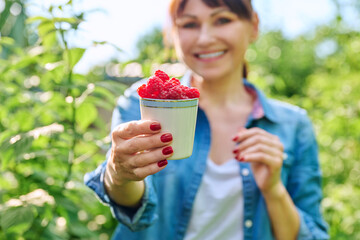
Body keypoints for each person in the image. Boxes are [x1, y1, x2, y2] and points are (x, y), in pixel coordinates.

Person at [84, 0, 329, 239]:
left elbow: (311, 235)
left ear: (254, 25)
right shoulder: (146, 103)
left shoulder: (293, 125)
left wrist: (274, 190)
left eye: (222, 20)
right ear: (173, 33)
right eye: (190, 24)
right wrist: (119, 174)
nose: (205, 38)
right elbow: (131, 206)